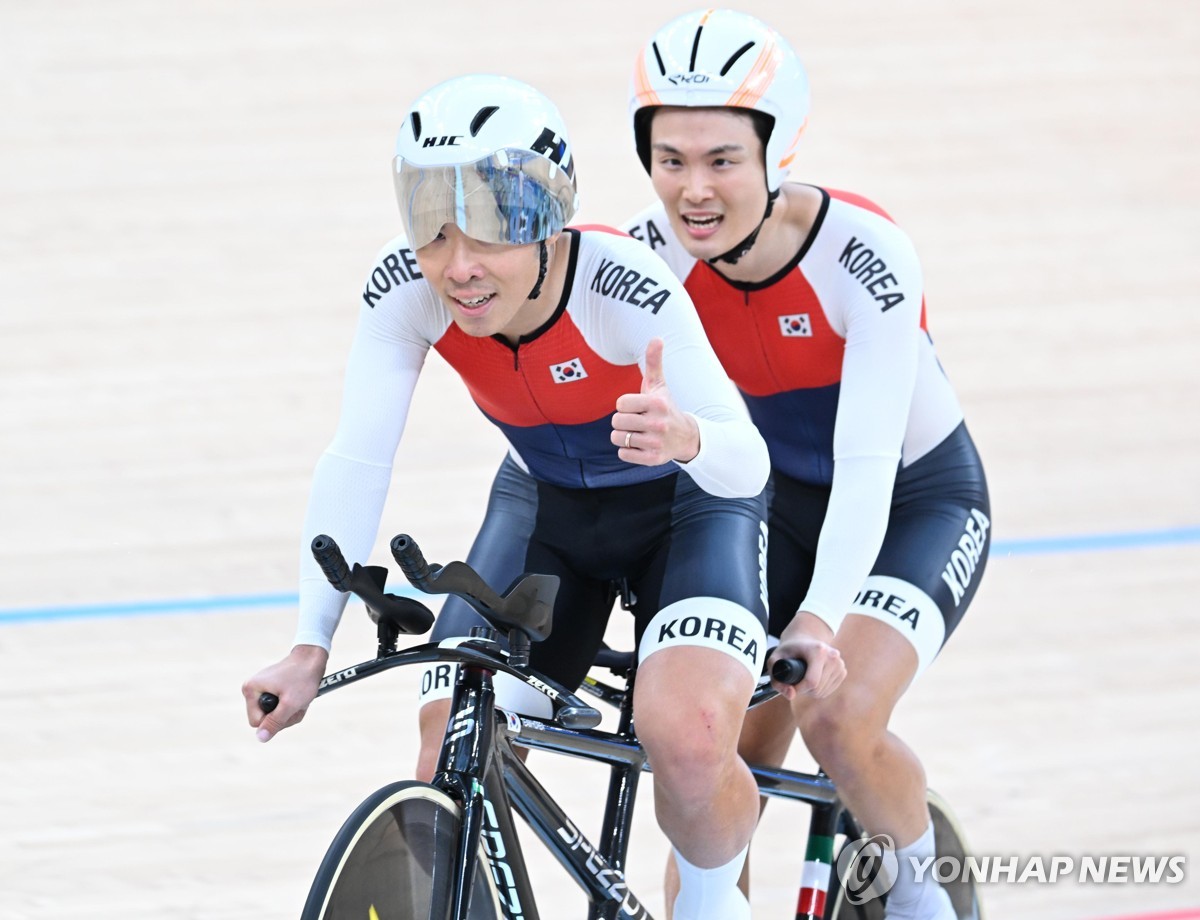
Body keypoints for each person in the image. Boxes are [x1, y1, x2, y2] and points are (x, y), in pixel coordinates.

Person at [241, 73, 774, 920]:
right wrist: (309, 644)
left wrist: (689, 440)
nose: (459, 266)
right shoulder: (406, 290)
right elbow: (355, 460)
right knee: (444, 736)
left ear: (547, 220)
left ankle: (712, 904)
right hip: (549, 511)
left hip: (687, 509)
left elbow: (746, 465)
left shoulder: (620, 284)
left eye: (492, 230)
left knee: (688, 736)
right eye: (432, 225)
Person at [624, 10, 992, 920]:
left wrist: (820, 623)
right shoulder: (649, 258)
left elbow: (866, 466)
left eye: (721, 160)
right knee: (718, 760)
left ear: (776, 151)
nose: (693, 191)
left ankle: (922, 906)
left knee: (837, 717)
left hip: (913, 501)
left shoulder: (864, 257)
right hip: (778, 507)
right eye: (672, 160)